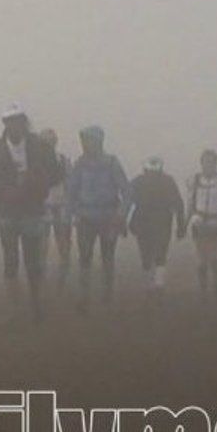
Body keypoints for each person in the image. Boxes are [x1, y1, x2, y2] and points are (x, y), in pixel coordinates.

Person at [0, 103, 61, 321]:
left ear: (24, 122)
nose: (15, 126)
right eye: (10, 122)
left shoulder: (40, 147)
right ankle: (16, 307)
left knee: (33, 260)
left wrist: (39, 184)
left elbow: (57, 173)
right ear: (5, 124)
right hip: (6, 211)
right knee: (10, 259)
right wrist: (1, 191)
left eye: (18, 121)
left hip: (32, 209)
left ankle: (36, 304)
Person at [67, 125, 131, 311]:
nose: (85, 144)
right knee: (85, 258)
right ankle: (84, 297)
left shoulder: (112, 163)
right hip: (85, 218)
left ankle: (107, 294)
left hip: (109, 217)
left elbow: (127, 191)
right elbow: (71, 191)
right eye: (84, 141)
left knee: (107, 256)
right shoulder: (80, 164)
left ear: (99, 141)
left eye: (89, 140)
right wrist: (69, 215)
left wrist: (121, 214)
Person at [128, 156, 186, 298]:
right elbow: (128, 202)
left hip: (154, 222)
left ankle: (156, 284)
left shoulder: (140, 181)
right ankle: (155, 284)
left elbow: (178, 204)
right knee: (152, 253)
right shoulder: (164, 181)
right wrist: (180, 225)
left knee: (155, 253)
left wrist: (181, 225)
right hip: (154, 222)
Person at [186, 149, 217, 299]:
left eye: (211, 162)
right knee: (201, 258)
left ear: (216, 163)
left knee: (215, 256)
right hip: (199, 222)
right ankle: (203, 288)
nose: (208, 165)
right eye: (205, 162)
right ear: (201, 163)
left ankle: (216, 284)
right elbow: (190, 202)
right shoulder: (194, 180)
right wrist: (185, 222)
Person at [39, 128, 73, 288]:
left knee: (64, 245)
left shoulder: (63, 160)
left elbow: (70, 183)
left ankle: (62, 279)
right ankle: (41, 279)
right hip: (42, 206)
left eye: (50, 142)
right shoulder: (35, 161)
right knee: (41, 246)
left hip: (60, 206)